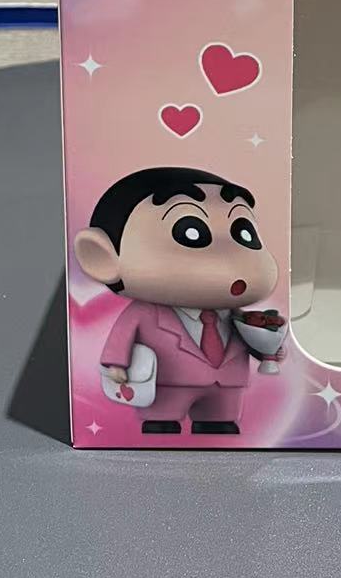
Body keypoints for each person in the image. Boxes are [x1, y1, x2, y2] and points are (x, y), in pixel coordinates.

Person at [73, 166, 281, 435]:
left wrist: (268, 350)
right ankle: (162, 426)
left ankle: (218, 426)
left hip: (228, 385)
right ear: (103, 258)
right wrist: (117, 364)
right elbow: (122, 336)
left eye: (244, 233)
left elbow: (250, 337)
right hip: (168, 382)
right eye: (191, 233)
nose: (230, 254)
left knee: (221, 426)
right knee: (162, 425)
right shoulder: (145, 312)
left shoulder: (236, 314)